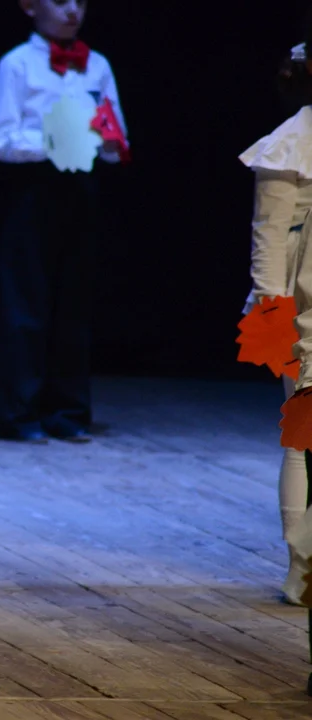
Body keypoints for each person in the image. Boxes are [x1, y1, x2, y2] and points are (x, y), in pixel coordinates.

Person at [0, 0, 127, 444]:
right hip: (32, 189)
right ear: (29, 6)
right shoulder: (16, 64)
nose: (73, 11)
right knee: (25, 305)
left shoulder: (98, 65)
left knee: (75, 305)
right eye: (60, 1)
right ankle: (17, 412)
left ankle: (67, 410)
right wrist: (56, 138)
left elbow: (116, 138)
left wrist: (107, 140)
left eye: (81, 2)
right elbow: (2, 139)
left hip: (81, 188)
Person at [250, 32, 312, 606]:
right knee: (302, 439)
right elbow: (270, 245)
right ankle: (303, 566)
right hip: (305, 316)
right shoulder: (288, 146)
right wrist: (272, 315)